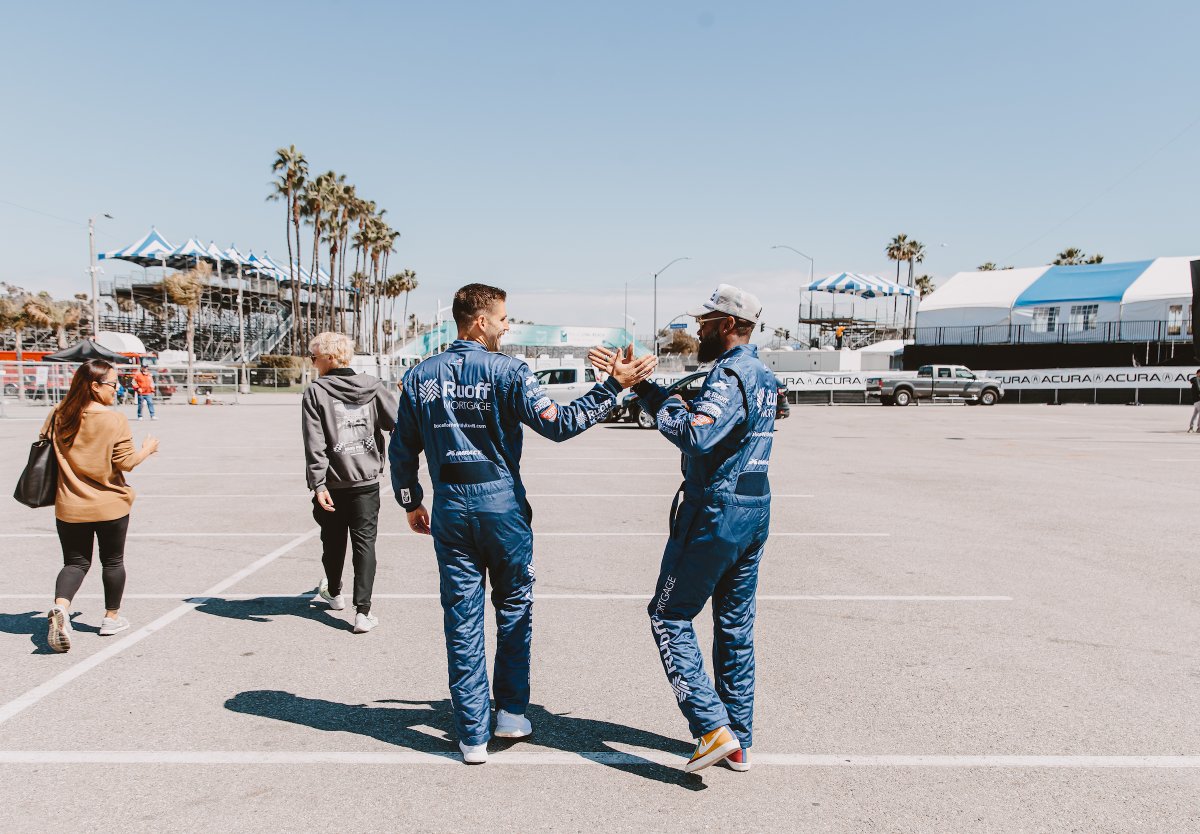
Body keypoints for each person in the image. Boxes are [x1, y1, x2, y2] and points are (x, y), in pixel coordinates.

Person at [389, 283, 655, 764]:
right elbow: (559, 423)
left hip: (450, 508)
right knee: (513, 607)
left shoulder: (419, 375)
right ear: (478, 322)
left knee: (462, 618)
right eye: (502, 318)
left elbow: (402, 447)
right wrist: (614, 386)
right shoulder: (510, 371)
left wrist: (410, 500)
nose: (507, 326)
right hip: (501, 508)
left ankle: (472, 736)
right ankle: (510, 713)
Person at [592, 284, 775, 773]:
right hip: (754, 505)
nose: (699, 329)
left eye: (707, 322)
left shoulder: (729, 374)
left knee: (668, 616)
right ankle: (738, 740)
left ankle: (712, 728)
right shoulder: (762, 373)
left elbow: (697, 435)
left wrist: (658, 405)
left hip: (716, 511)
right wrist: (644, 388)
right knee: (734, 626)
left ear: (729, 326)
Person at [41, 359, 159, 653]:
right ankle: (111, 618)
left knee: (75, 563)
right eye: (112, 383)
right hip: (110, 505)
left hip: (69, 503)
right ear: (94, 386)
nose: (117, 388)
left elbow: (43, 445)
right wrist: (147, 449)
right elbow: (126, 463)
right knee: (113, 561)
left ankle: (61, 608)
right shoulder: (113, 419)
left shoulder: (58, 414)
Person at [302, 332, 398, 634]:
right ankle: (363, 612)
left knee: (332, 543)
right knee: (364, 544)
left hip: (332, 483)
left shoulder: (316, 392)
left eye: (314, 356)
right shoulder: (373, 386)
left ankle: (334, 591)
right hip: (366, 480)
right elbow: (396, 422)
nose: (312, 361)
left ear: (329, 358)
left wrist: (318, 484)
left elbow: (313, 442)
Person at [1189, 369, 1200, 433]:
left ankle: (1191, 427)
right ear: (1197, 373)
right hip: (1198, 400)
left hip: (1196, 400)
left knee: (1195, 414)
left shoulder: (1196, 380)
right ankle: (1199, 428)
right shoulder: (1196, 379)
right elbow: (1198, 389)